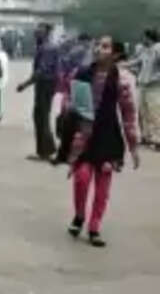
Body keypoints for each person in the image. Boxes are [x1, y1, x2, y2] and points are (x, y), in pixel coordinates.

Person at [60, 36, 140, 248]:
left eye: (105, 46)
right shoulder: (82, 73)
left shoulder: (122, 80)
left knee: (102, 187)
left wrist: (133, 147)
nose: (99, 49)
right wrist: (69, 108)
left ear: (115, 54)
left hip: (108, 137)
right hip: (85, 134)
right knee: (82, 179)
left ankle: (95, 227)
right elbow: (69, 100)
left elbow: (128, 114)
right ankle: (79, 216)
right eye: (99, 45)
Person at [16, 23, 59, 161]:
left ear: (46, 33)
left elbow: (41, 71)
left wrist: (25, 84)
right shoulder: (45, 47)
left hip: (45, 84)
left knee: (41, 117)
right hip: (47, 84)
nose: (36, 34)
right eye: (36, 32)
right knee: (41, 116)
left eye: (39, 32)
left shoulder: (47, 48)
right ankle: (45, 149)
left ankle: (45, 151)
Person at [125, 28, 160, 151]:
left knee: (154, 113)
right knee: (143, 112)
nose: (142, 39)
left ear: (149, 37)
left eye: (144, 37)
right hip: (143, 85)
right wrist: (121, 64)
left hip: (154, 86)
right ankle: (147, 137)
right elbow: (136, 62)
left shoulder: (158, 48)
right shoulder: (145, 50)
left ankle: (158, 139)